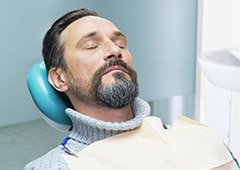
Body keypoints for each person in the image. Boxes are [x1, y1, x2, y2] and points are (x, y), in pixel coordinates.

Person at [24, 8, 239, 170]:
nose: (114, 50)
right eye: (91, 45)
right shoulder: (54, 166)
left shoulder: (198, 138)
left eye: (121, 43)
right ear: (59, 78)